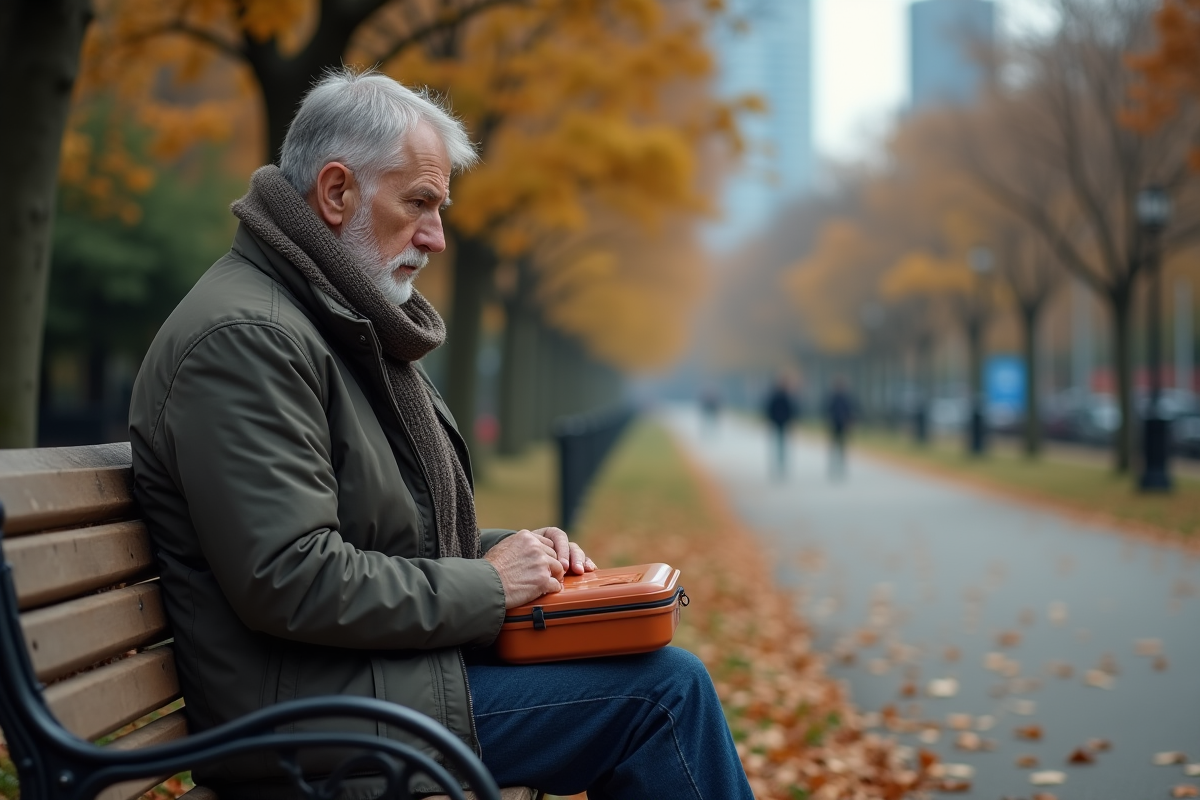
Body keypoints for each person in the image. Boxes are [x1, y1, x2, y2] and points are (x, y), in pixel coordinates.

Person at [128, 68, 752, 800]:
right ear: (336, 194)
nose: (438, 237)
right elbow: (291, 577)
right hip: (310, 726)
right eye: (419, 203)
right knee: (662, 697)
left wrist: (517, 554)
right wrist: (490, 584)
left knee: (659, 674)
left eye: (440, 208)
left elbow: (383, 537)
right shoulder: (250, 338)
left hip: (364, 688)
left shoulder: (334, 322)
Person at [762, 375, 798, 478]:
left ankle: (780, 463)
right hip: (778, 421)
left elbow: (791, 410)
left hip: (781, 422)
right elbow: (770, 409)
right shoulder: (780, 395)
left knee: (780, 444)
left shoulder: (781, 395)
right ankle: (779, 463)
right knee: (779, 444)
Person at [825, 377, 855, 479]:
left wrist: (849, 423)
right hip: (834, 425)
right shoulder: (832, 398)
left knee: (841, 447)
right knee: (834, 447)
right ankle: (833, 465)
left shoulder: (845, 398)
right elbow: (828, 411)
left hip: (842, 426)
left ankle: (841, 465)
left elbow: (850, 412)